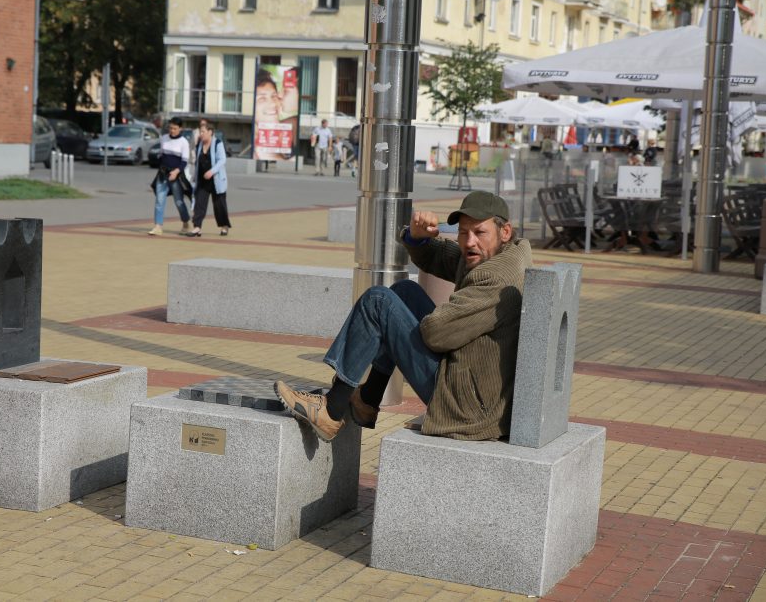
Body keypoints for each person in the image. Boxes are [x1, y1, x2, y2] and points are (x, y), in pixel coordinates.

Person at [275, 191, 533, 442]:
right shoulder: (503, 254)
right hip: (472, 385)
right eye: (463, 232)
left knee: (378, 302)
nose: (468, 242)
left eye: (479, 232)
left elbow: (435, 334)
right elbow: (446, 258)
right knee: (404, 292)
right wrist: (417, 237)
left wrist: (400, 327)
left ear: (505, 231)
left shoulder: (496, 278)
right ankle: (368, 400)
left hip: (465, 406)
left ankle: (331, 410)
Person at [187, 123, 232, 237]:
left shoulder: (218, 143)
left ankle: (224, 226)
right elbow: (196, 161)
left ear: (210, 132)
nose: (201, 134)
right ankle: (197, 227)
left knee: (219, 205)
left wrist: (212, 171)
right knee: (199, 204)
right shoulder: (199, 144)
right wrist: (194, 175)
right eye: (200, 132)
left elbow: (222, 160)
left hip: (216, 180)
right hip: (202, 180)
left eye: (203, 132)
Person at [149, 117, 192, 236]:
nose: (172, 131)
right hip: (163, 175)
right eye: (170, 128)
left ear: (180, 128)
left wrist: (176, 172)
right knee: (159, 200)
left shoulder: (184, 142)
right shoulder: (164, 138)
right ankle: (158, 226)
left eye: (175, 128)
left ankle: (185, 222)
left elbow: (184, 161)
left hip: (176, 176)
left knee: (179, 202)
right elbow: (161, 155)